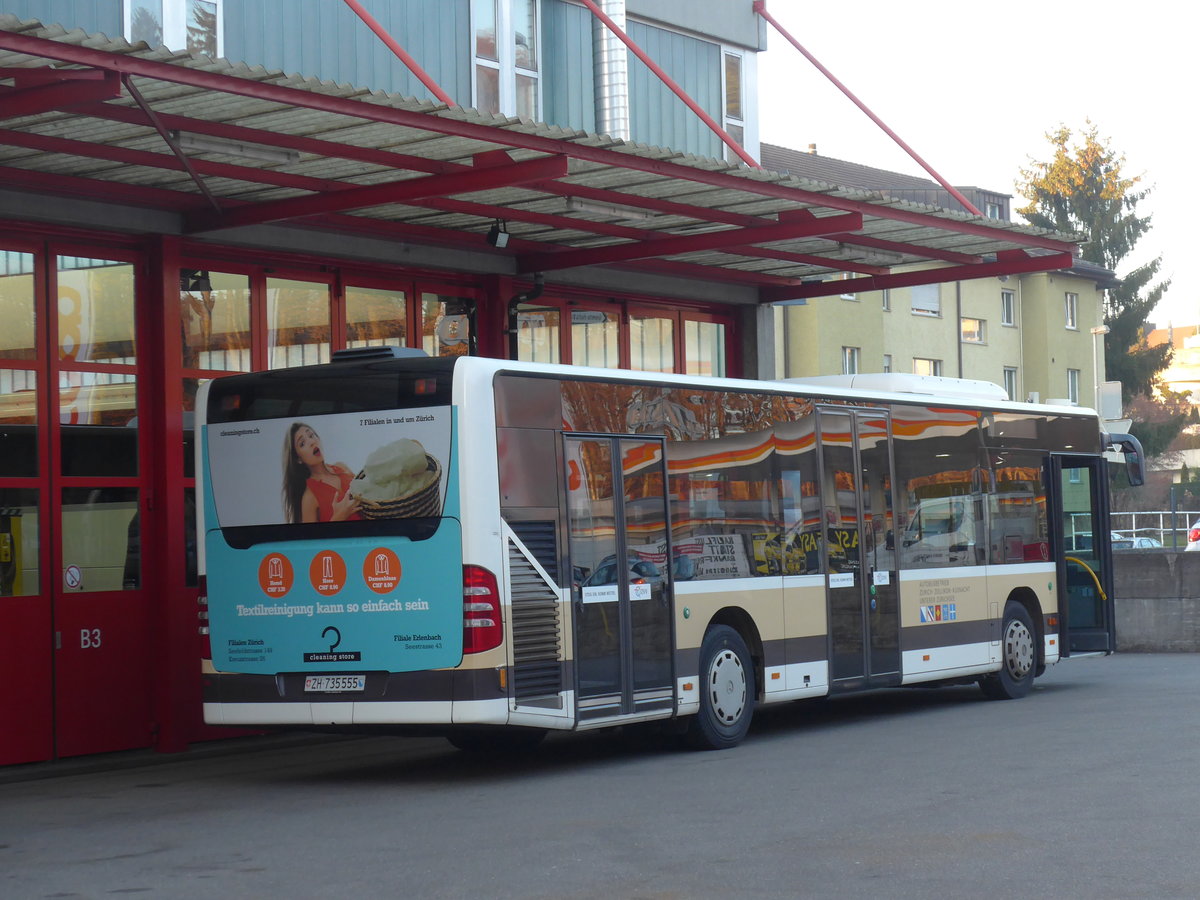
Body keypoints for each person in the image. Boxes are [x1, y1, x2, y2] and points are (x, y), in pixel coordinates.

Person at [281, 422, 361, 523]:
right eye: (302, 443)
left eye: (311, 435)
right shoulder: (309, 498)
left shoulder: (342, 467)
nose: (311, 442)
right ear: (298, 459)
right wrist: (340, 515)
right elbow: (311, 538)